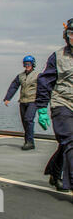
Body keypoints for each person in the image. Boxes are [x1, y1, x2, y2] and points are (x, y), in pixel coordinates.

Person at [35, 19, 73, 192]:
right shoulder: (57, 57)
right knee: (71, 141)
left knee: (66, 143)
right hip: (62, 103)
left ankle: (55, 172)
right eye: (72, 34)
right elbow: (45, 81)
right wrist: (42, 107)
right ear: (66, 36)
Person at [3, 56, 40, 150]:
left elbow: (43, 87)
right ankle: (27, 140)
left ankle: (30, 142)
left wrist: (43, 100)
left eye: (29, 64)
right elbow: (14, 86)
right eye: (25, 64)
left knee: (28, 119)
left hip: (33, 101)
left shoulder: (38, 75)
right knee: (24, 121)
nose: (27, 65)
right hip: (23, 101)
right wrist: (8, 98)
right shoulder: (20, 76)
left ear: (33, 64)